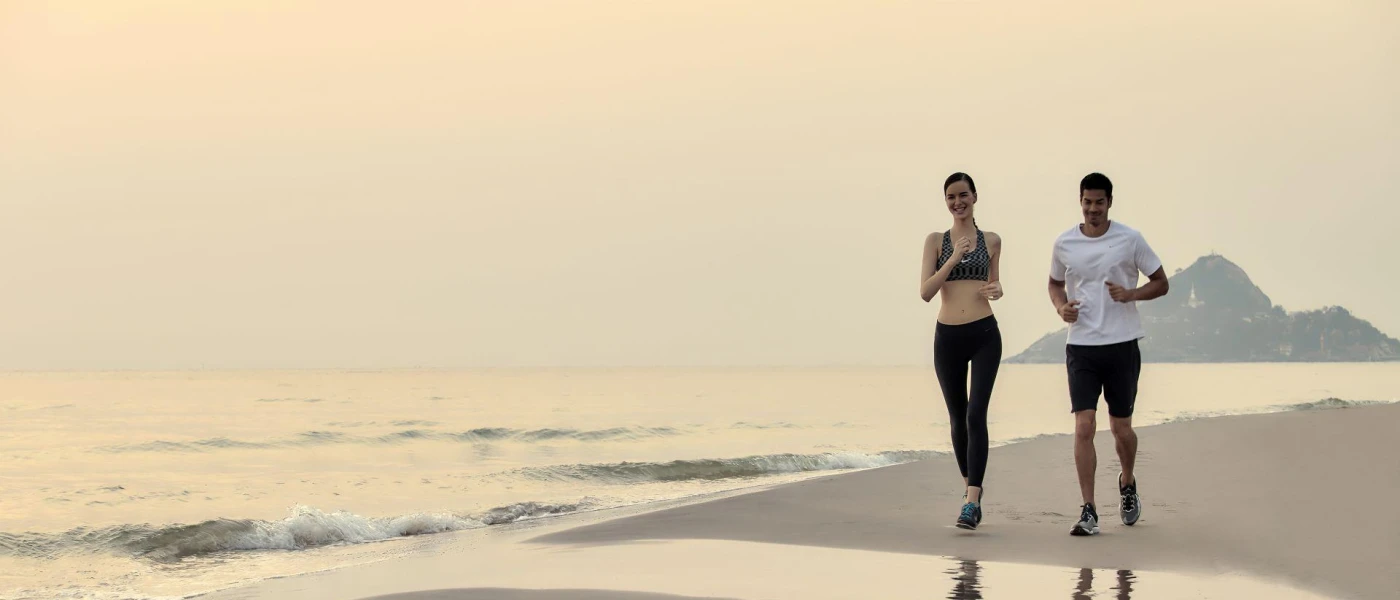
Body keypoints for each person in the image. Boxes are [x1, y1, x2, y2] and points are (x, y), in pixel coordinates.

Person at [1047, 172, 1169, 536]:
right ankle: (1089, 510)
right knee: (1084, 426)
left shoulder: (1130, 239)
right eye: (1087, 202)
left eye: (1099, 202)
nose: (1093, 209)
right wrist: (1060, 307)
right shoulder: (1064, 242)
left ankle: (1127, 482)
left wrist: (1131, 295)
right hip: (1081, 345)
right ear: (1080, 202)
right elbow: (1054, 282)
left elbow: (1161, 282)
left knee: (1122, 429)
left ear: (1109, 203)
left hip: (1122, 343)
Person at [920, 172, 1004, 530]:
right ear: (946, 202)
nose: (958, 202)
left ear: (974, 197)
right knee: (957, 417)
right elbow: (925, 291)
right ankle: (971, 488)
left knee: (975, 414)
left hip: (985, 333)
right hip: (948, 337)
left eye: (964, 195)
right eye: (951, 197)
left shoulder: (992, 240)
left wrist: (997, 289)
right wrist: (952, 259)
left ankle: (971, 499)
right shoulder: (936, 241)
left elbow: (993, 282)